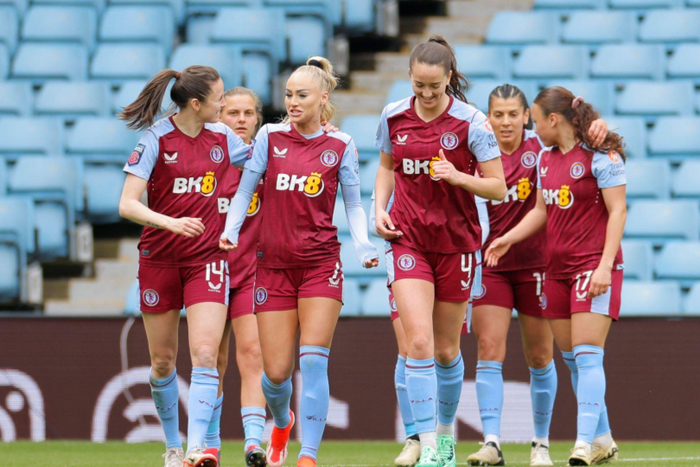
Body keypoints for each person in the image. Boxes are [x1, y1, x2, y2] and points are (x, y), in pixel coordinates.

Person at [220, 56, 379, 467]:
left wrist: (362, 245)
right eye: (288, 94)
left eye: (301, 95)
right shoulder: (269, 137)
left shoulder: (340, 145)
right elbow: (244, 191)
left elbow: (354, 204)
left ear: (322, 98)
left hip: (320, 266)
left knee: (312, 360)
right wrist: (232, 229)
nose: (292, 101)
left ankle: (308, 456)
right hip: (271, 268)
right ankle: (281, 420)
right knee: (275, 375)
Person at [374, 35, 507, 467]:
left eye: (435, 86)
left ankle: (446, 436)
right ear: (409, 79)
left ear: (449, 78)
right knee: (418, 342)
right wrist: (379, 209)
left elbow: (498, 188)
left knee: (448, 351)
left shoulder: (472, 123)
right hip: (408, 240)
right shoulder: (393, 116)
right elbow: (386, 166)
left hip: (457, 244)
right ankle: (427, 444)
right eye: (419, 86)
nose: (427, 95)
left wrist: (458, 177)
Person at [466, 85, 609, 467]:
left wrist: (599, 125)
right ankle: (492, 442)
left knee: (541, 356)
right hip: (492, 265)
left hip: (539, 267)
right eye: (498, 115)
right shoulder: (476, 154)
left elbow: (582, 134)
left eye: (514, 114)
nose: (506, 122)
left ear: (527, 116)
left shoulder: (542, 153)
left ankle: (540, 444)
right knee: (489, 348)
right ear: (488, 117)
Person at [118, 66, 252, 467]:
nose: (225, 105)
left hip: (206, 259)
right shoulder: (156, 139)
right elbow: (127, 204)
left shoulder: (224, 137)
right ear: (196, 104)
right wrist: (169, 222)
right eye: (219, 98)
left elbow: (262, 163)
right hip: (159, 259)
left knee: (206, 351)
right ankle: (172, 446)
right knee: (162, 361)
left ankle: (197, 447)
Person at [369, 191, 488, 467]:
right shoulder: (398, 156)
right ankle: (418, 439)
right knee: (412, 345)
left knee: (445, 352)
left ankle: (444, 435)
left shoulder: (458, 160)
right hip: (408, 257)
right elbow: (375, 216)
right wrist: (383, 227)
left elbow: (479, 215)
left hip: (451, 254)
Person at [203, 87, 267, 467]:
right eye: (232, 113)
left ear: (258, 118)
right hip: (208, 273)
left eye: (248, 113)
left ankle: (253, 442)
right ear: (217, 116)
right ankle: (210, 444)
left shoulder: (266, 159)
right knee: (213, 360)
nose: (241, 120)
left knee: (253, 354)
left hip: (251, 273)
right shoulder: (206, 159)